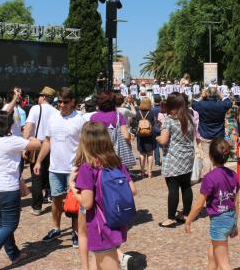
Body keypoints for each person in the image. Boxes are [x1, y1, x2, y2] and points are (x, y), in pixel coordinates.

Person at [0, 111, 42, 269]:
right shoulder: (11, 141)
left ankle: (14, 254)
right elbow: (37, 144)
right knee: (10, 225)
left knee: (4, 223)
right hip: (6, 188)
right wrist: (31, 138)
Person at [70, 122, 137, 270]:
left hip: (99, 226)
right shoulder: (115, 161)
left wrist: (72, 186)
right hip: (115, 220)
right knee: (99, 262)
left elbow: (86, 204)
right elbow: (132, 189)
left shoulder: (87, 167)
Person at [34, 87, 85, 247]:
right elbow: (47, 141)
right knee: (56, 200)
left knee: (75, 202)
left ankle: (76, 232)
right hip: (55, 168)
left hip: (74, 169)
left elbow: (84, 144)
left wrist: (83, 165)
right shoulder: (53, 118)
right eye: (59, 102)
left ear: (73, 102)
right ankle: (56, 228)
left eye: (65, 102)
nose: (61, 105)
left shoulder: (80, 120)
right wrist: (39, 161)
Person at [185, 138, 240, 270]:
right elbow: (236, 201)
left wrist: (188, 220)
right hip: (230, 217)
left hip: (219, 221)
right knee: (212, 253)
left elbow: (199, 205)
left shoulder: (210, 178)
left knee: (224, 263)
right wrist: (235, 222)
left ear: (210, 156)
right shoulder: (234, 174)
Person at [157, 93, 195, 227]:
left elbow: (163, 140)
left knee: (173, 188)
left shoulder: (169, 120)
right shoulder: (189, 117)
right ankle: (186, 214)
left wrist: (155, 136)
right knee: (186, 186)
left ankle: (170, 218)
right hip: (188, 156)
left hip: (174, 157)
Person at [23, 87, 58, 216]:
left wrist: (24, 144)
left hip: (37, 145)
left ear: (43, 97)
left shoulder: (35, 109)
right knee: (49, 173)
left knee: (36, 175)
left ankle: (37, 207)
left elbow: (28, 127)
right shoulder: (56, 111)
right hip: (51, 145)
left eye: (40, 96)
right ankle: (50, 197)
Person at [192, 87, 232, 176]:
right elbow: (229, 102)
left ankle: (207, 175)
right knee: (217, 155)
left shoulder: (201, 105)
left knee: (207, 156)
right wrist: (222, 96)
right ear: (217, 94)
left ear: (207, 94)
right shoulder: (222, 105)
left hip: (205, 134)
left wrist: (202, 96)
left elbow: (193, 103)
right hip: (218, 135)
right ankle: (217, 175)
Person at [135, 97, 156, 178]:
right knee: (150, 153)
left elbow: (135, 123)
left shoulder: (138, 113)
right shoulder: (151, 112)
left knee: (142, 153)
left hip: (140, 135)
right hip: (150, 134)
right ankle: (150, 172)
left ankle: (142, 172)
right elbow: (154, 123)